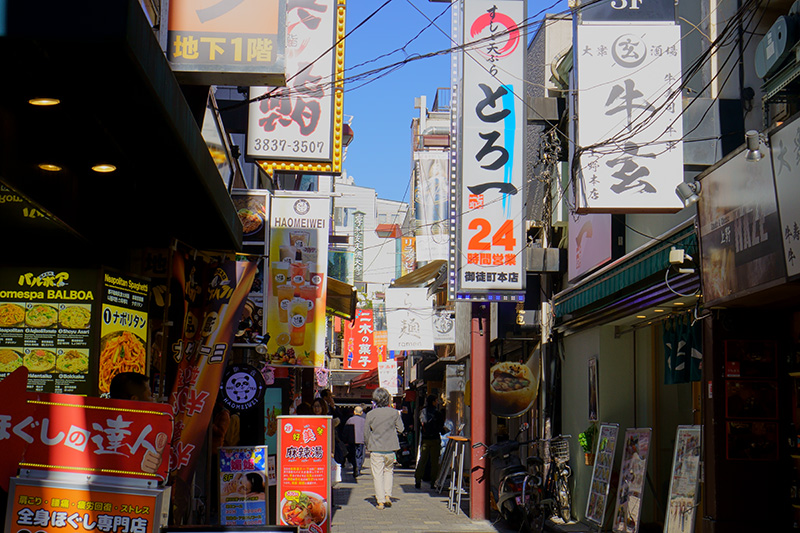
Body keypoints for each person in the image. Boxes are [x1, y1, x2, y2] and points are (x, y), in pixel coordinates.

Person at [364, 388, 404, 509]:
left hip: (376, 448)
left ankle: (380, 501)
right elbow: (401, 429)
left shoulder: (371, 414)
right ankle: (387, 496)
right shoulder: (394, 413)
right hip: (390, 448)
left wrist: (368, 444)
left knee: (378, 474)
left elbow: (366, 433)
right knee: (388, 472)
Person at [415, 394, 444, 489]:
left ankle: (418, 480)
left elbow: (420, 424)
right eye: (436, 400)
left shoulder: (422, 412)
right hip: (435, 439)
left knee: (422, 460)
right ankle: (433, 482)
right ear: (433, 402)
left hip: (425, 439)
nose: (437, 402)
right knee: (434, 461)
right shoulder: (437, 413)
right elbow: (441, 428)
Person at [345, 405, 366, 480]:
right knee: (359, 455)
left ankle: (355, 468)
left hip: (352, 440)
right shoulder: (364, 421)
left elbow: (346, 431)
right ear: (361, 413)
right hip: (361, 440)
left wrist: (345, 440)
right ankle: (358, 469)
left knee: (353, 455)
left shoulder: (350, 420)